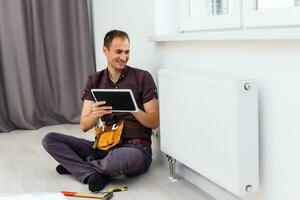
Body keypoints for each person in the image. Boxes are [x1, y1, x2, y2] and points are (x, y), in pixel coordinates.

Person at [42, 30, 159, 192]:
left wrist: (133, 109)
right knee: (50, 139)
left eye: (127, 52)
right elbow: (84, 125)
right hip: (104, 146)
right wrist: (95, 114)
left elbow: (154, 122)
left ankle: (79, 168)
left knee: (117, 159)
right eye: (118, 52)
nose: (124, 57)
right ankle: (94, 172)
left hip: (135, 149)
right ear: (105, 50)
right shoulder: (94, 80)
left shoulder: (143, 77)